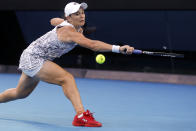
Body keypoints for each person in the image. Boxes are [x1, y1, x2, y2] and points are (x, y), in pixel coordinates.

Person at [0, 2, 134, 127]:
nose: (82, 16)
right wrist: (118, 48)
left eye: (82, 13)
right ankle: (80, 115)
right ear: (69, 17)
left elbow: (52, 20)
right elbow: (93, 45)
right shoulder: (68, 31)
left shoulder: (74, 27)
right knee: (67, 78)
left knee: (20, 93)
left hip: (32, 56)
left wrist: (60, 21)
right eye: (77, 14)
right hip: (34, 58)